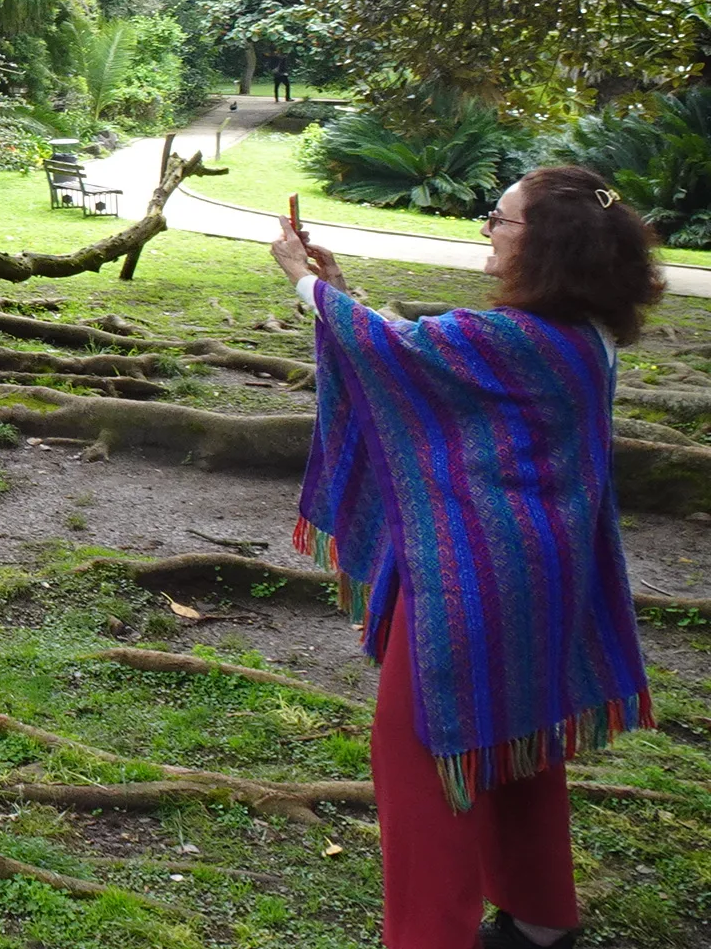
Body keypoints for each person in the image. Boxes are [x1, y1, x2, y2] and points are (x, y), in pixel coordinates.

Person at [272, 165, 658, 949]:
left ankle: (427, 936)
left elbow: (399, 352)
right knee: (517, 734)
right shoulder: (578, 340)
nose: (488, 228)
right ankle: (542, 916)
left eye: (501, 218)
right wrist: (337, 291)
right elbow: (418, 359)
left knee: (422, 755)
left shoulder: (511, 339)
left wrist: (305, 286)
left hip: (475, 579)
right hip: (547, 575)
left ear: (542, 245)